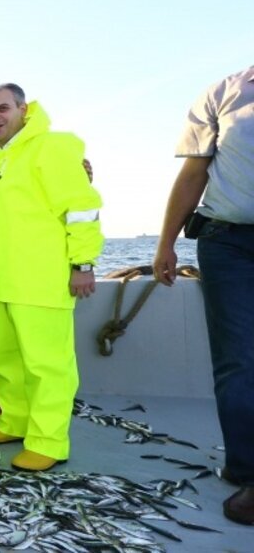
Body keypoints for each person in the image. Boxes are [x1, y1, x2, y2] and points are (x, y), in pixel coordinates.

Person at [0, 83, 103, 472]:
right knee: (8, 363)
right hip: (4, 283)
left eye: (2, 109)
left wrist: (82, 264)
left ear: (23, 109)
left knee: (47, 366)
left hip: (42, 282)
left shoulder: (52, 146)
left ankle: (49, 442)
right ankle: (13, 421)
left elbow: (82, 208)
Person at [153, 66, 254, 525]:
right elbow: (194, 173)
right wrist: (165, 244)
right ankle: (247, 470)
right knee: (237, 359)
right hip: (226, 242)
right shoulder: (222, 92)